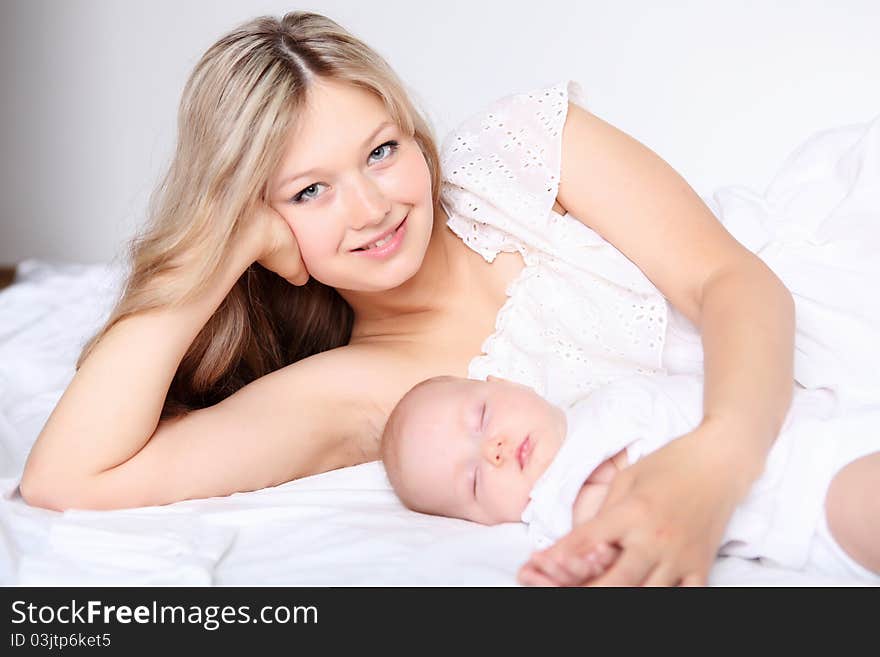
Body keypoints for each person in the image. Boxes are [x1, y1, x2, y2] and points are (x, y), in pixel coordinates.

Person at [16, 11, 879, 587]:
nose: (372, 206)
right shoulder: (359, 394)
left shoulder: (517, 153)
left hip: (834, 279)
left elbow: (730, 280)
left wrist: (715, 465)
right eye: (309, 192)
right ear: (262, 225)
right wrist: (216, 251)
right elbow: (67, 477)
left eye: (381, 150)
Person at [380, 374, 880, 585]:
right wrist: (577, 563)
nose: (493, 450)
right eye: (472, 480)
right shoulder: (558, 503)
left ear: (506, 382)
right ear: (482, 520)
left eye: (482, 417)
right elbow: (617, 532)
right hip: (806, 494)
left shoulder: (603, 397)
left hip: (827, 420)